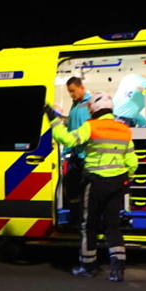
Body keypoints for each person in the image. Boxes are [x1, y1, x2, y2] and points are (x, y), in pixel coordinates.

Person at [46, 93, 138, 282]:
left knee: (89, 226)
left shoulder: (91, 126)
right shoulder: (124, 130)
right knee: (113, 226)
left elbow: (69, 141)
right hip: (117, 183)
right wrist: (126, 179)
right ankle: (118, 269)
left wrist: (54, 121)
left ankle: (88, 266)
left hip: (95, 183)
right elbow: (132, 161)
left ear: (94, 109)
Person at [62, 76, 92, 227]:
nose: (71, 94)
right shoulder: (75, 105)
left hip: (86, 155)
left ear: (82, 87)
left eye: (73, 91)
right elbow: (71, 130)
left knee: (85, 192)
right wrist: (65, 153)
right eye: (69, 92)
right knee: (72, 188)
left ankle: (84, 221)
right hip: (75, 155)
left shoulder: (90, 103)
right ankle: (75, 219)